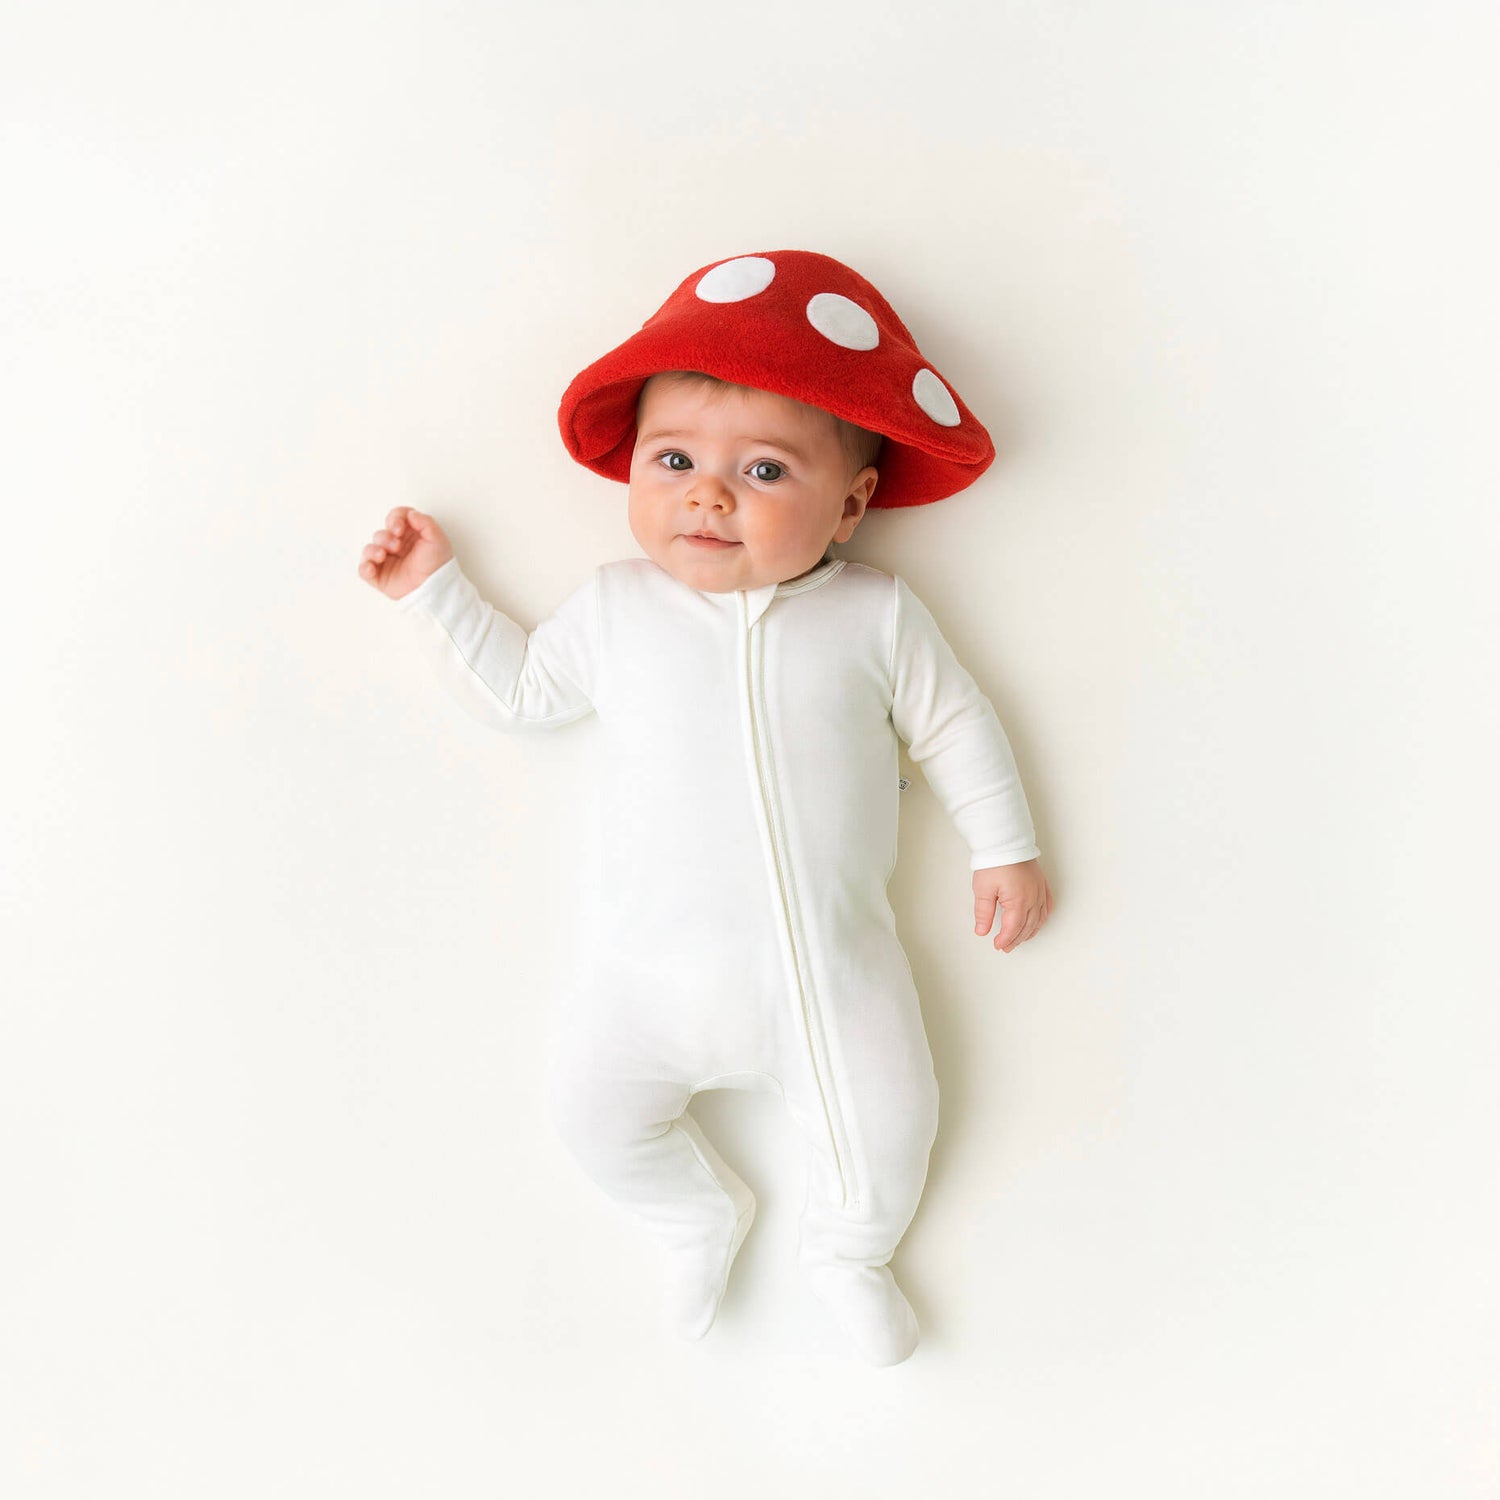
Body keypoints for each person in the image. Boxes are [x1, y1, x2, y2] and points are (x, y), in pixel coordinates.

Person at [357, 251, 1054, 1365]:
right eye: (673, 459)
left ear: (851, 506)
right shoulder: (618, 608)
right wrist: (440, 588)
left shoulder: (874, 616)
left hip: (830, 979)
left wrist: (1003, 848)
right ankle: (695, 1212)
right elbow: (526, 693)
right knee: (588, 1115)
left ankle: (849, 1253)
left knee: (891, 1128)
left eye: (766, 471)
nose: (708, 494)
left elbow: (957, 726)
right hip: (642, 980)